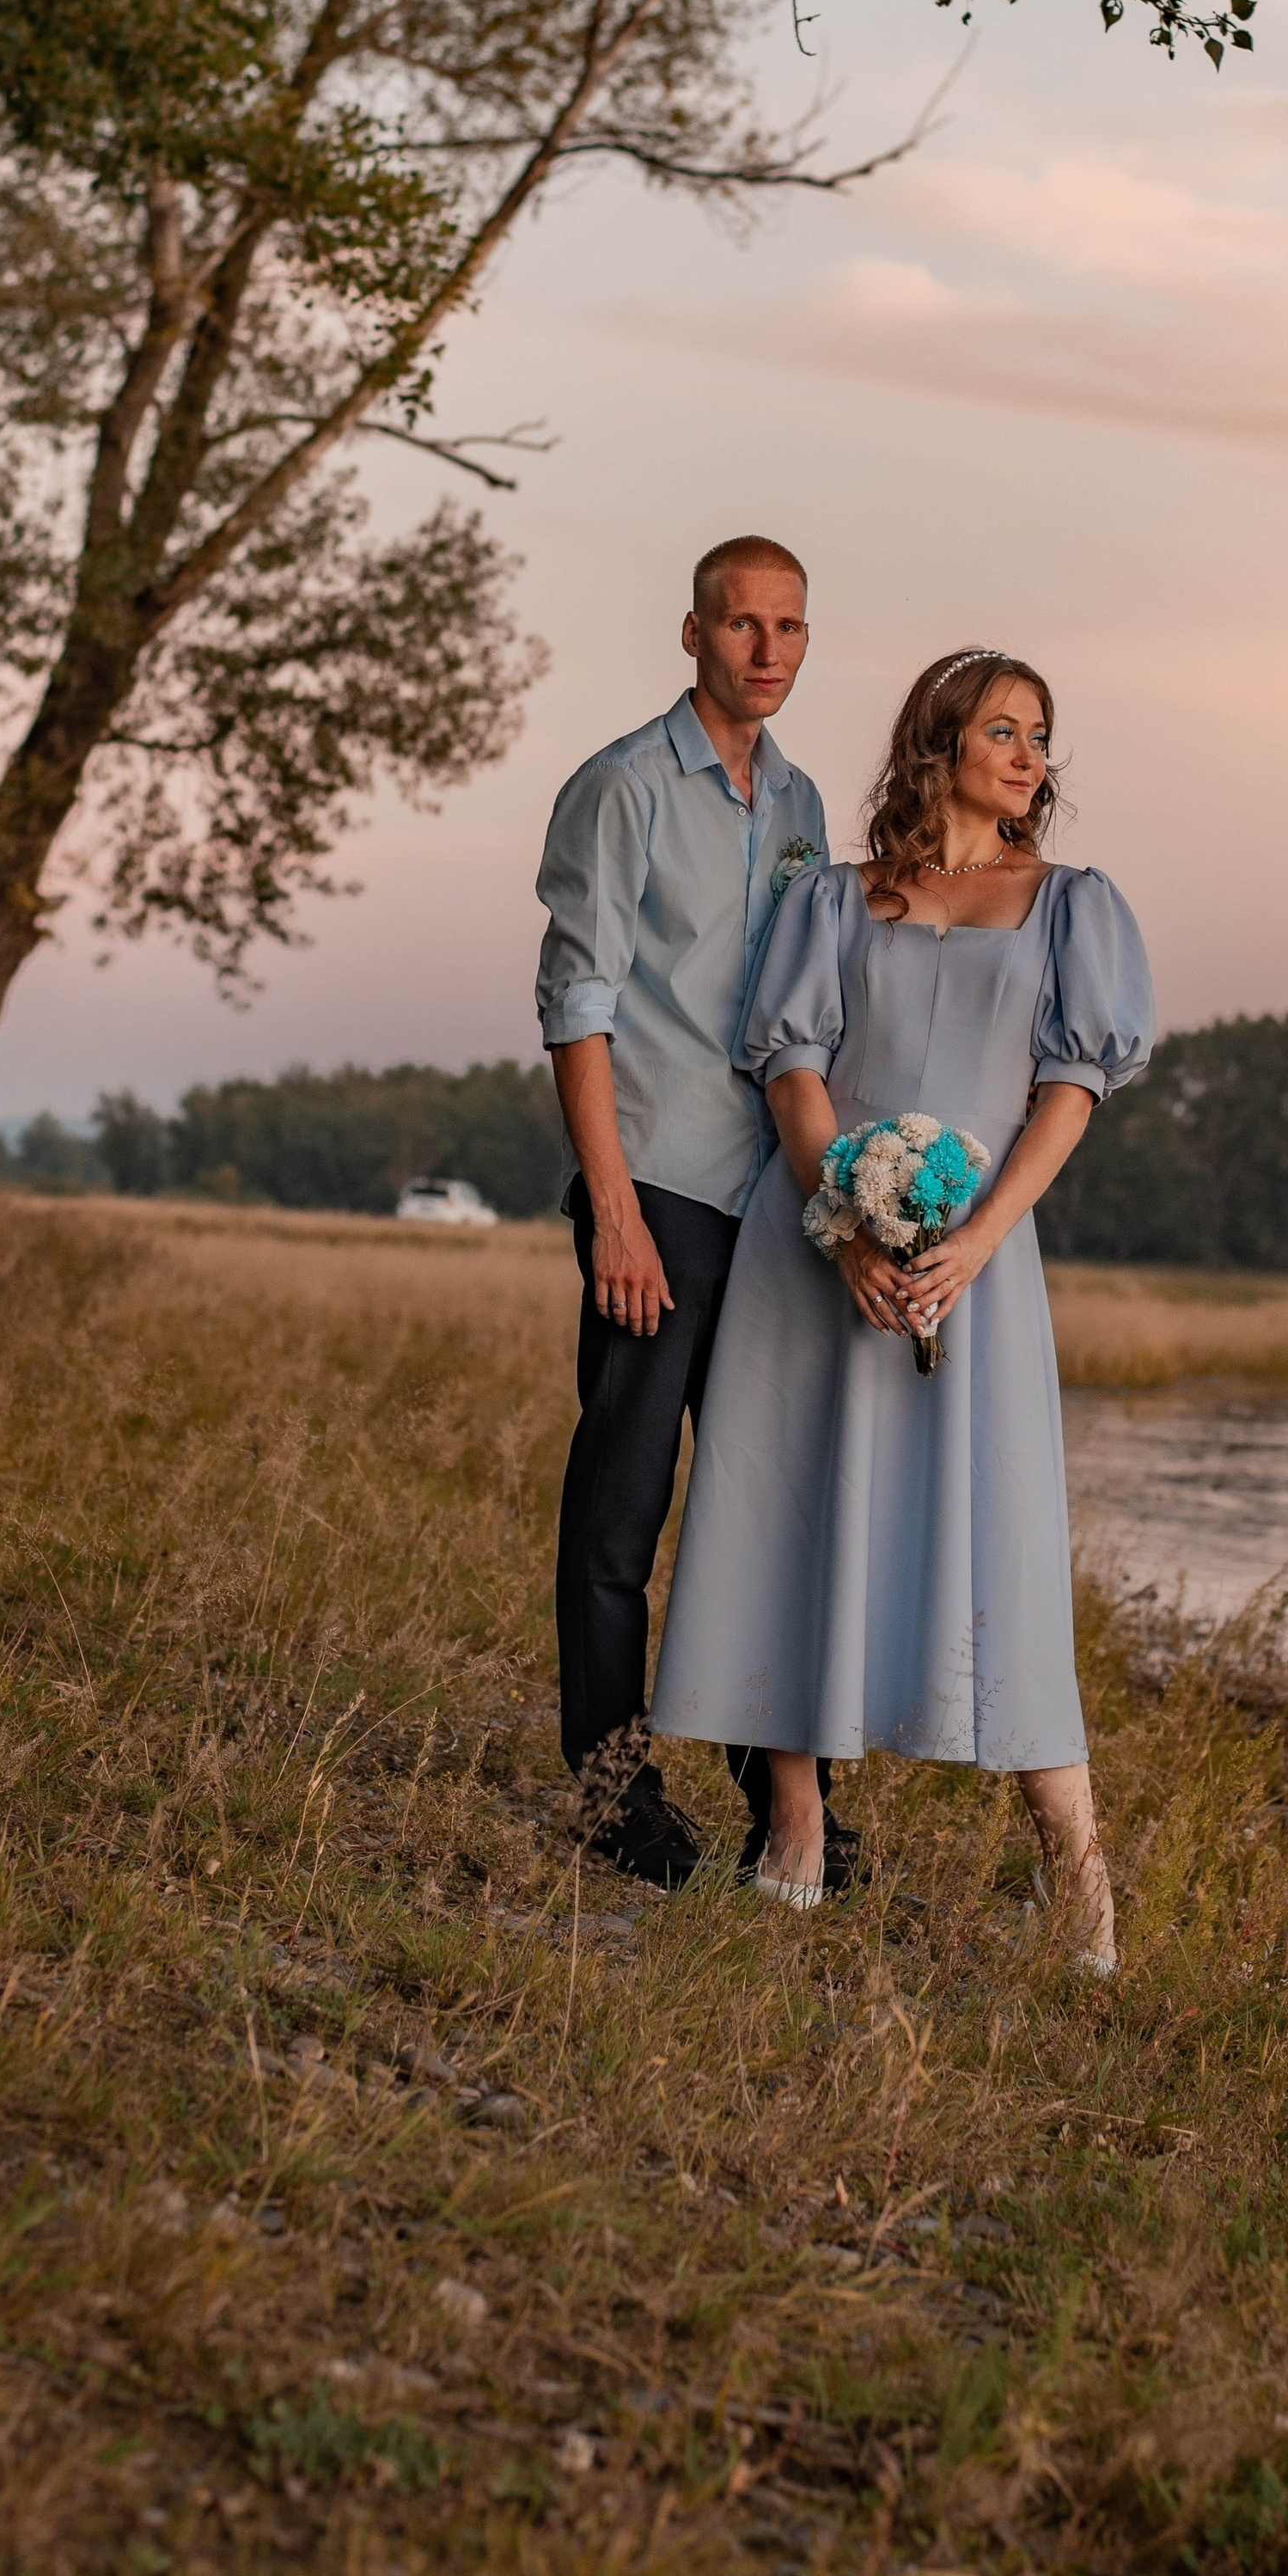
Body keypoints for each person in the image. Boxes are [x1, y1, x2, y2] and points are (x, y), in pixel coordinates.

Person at [648, 648, 1156, 1968]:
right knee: (787, 1513)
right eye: (1003, 728)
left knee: (1004, 1548)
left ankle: (1083, 1893)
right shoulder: (831, 901)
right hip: (816, 1251)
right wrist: (842, 1224)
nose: (1031, 754)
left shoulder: (1072, 907)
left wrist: (979, 1237)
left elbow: (1071, 1092)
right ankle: (795, 1832)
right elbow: (795, 1071)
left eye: (1042, 734)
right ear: (939, 741)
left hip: (973, 1271)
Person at [536, 535, 845, 1889]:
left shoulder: (803, 805)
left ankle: (790, 1811)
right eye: (741, 626)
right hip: (656, 1186)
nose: (765, 650)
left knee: (765, 1511)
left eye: (788, 628)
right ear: (692, 634)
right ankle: (613, 1793)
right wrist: (613, 1211)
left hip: (771, 1203)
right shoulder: (620, 788)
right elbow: (577, 1002)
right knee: (623, 1507)